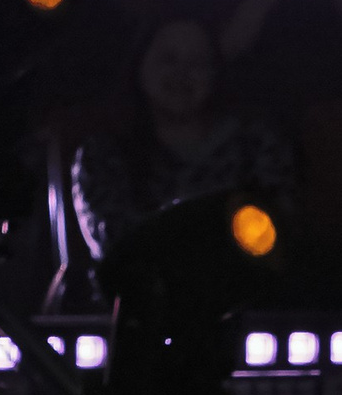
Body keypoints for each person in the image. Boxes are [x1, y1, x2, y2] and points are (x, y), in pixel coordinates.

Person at [69, 15, 296, 263]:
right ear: (140, 64)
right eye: (169, 59)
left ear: (214, 73)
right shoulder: (103, 153)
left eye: (197, 63)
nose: (182, 73)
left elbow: (281, 232)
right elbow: (116, 248)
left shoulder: (255, 141)